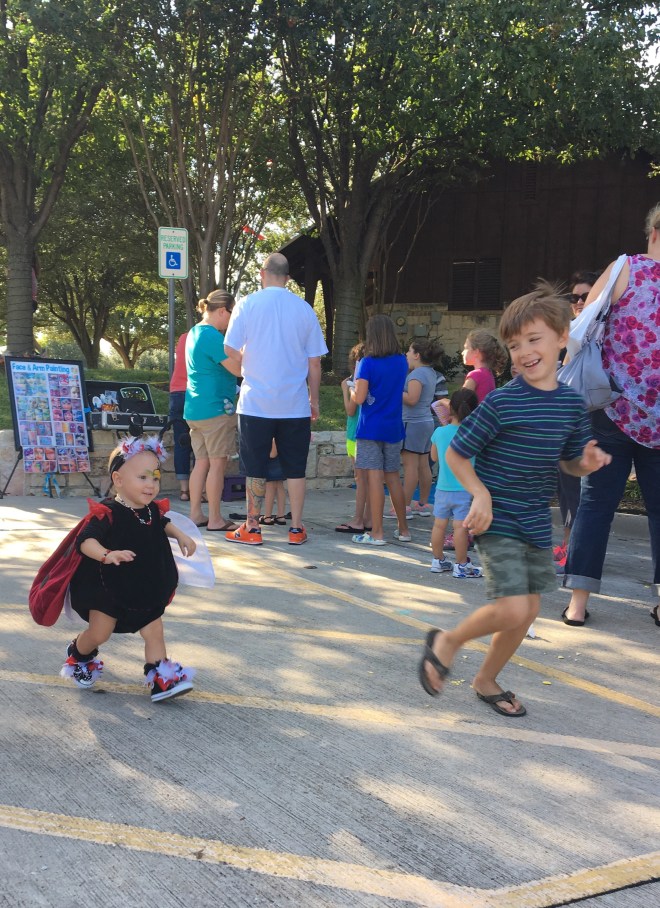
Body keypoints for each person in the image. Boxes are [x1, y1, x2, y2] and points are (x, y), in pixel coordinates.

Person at [418, 283, 611, 716]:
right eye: (515, 344)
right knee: (512, 608)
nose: (524, 352)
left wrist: (586, 463)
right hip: (497, 516)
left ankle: (485, 678)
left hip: (534, 519)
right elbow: (456, 452)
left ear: (562, 337)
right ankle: (447, 641)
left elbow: (570, 463)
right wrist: (480, 494)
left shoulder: (571, 405)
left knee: (528, 610)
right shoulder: (502, 403)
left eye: (534, 339)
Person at [562, 204, 660, 628]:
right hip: (644, 418)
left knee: (597, 506)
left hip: (616, 410)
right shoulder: (626, 267)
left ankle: (577, 604)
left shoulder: (624, 269)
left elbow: (581, 329)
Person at [61, 436, 197, 702]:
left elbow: (163, 523)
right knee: (100, 633)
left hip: (142, 588)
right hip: (107, 589)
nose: (151, 484)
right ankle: (79, 653)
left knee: (154, 630)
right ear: (119, 479)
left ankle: (162, 680)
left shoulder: (151, 511)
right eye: (142, 477)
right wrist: (106, 554)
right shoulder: (108, 512)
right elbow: (85, 541)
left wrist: (181, 535)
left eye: (155, 477)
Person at [224, 252, 328, 546]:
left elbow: (229, 349)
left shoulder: (247, 304)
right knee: (295, 468)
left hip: (255, 402)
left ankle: (252, 528)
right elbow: (315, 362)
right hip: (294, 405)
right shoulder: (304, 309)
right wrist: (314, 400)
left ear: (262, 273)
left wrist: (248, 362)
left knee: (254, 467)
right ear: (288, 278)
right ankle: (296, 529)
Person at [184, 290, 242, 533]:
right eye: (231, 313)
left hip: (195, 409)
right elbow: (238, 369)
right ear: (221, 311)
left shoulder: (194, 332)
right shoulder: (211, 336)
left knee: (201, 462)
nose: (231, 320)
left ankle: (196, 514)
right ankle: (216, 518)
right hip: (215, 409)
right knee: (218, 464)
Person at [350, 314, 410, 546]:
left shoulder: (368, 363)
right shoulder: (401, 361)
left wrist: (351, 389)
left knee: (374, 478)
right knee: (393, 477)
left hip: (370, 427)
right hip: (393, 426)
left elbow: (360, 398)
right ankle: (403, 529)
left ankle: (377, 533)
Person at [553, 270, 599, 572]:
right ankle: (569, 542)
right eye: (575, 297)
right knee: (566, 488)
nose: (579, 301)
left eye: (586, 296)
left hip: (592, 423)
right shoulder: (571, 333)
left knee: (581, 491)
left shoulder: (598, 331)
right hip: (568, 424)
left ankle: (574, 549)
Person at [385, 337, 443, 520]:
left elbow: (411, 399)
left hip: (413, 423)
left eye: (409, 351)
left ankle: (403, 506)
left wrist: (393, 390)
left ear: (417, 355)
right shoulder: (431, 373)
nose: (406, 354)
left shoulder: (417, 375)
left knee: (410, 466)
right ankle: (422, 503)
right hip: (426, 423)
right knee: (423, 464)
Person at [429, 388, 481, 577]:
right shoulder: (473, 434)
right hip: (464, 489)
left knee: (439, 525)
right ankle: (461, 564)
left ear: (451, 409)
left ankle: (438, 560)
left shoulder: (439, 432)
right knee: (460, 528)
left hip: (442, 489)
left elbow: (434, 457)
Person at [335, 342, 371, 534]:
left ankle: (359, 519)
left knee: (361, 478)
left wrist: (346, 389)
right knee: (371, 479)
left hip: (355, 434)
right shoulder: (375, 377)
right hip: (369, 432)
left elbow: (350, 410)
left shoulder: (353, 382)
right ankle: (369, 518)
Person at [168, 331, 193, 501]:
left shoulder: (184, 337)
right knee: (200, 443)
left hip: (176, 391)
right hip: (194, 392)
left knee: (181, 442)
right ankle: (201, 490)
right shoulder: (208, 337)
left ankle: (184, 491)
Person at [259, 439, 289, 526]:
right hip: (282, 458)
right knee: (280, 485)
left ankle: (267, 517)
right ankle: (281, 516)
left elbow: (272, 453)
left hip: (272, 459)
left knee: (270, 486)